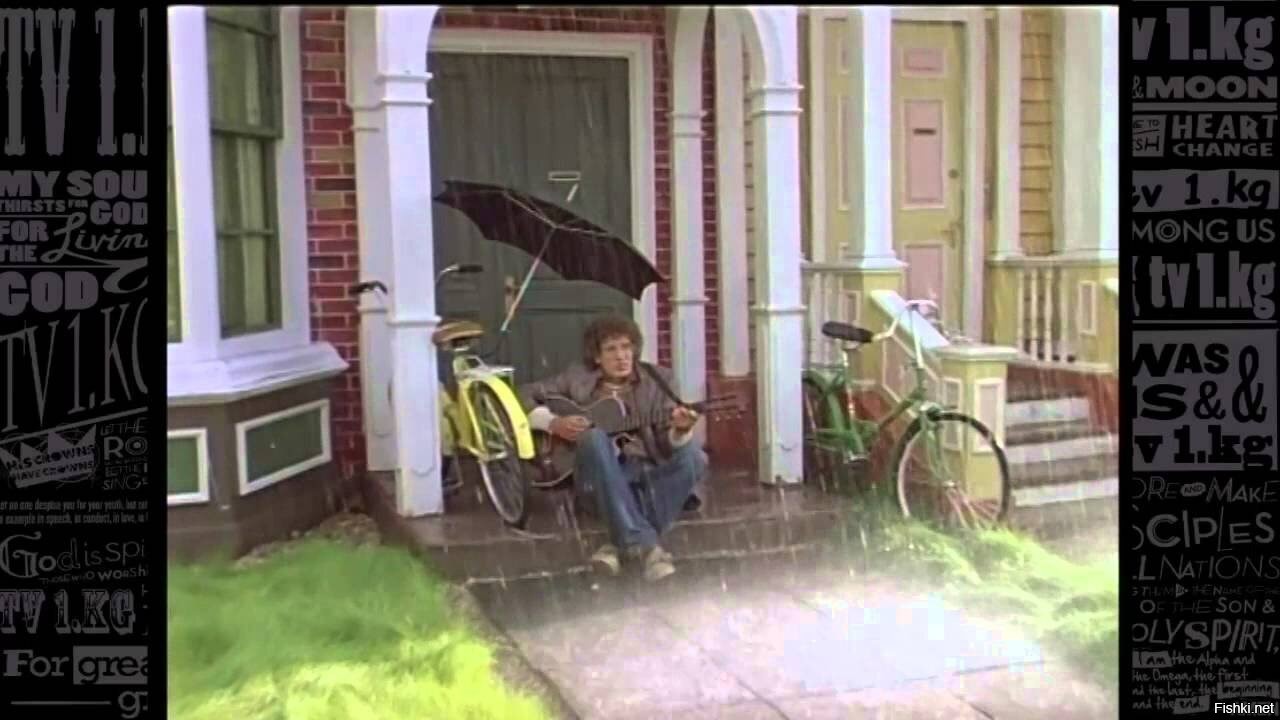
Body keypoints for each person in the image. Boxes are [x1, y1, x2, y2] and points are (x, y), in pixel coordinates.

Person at [519, 314, 708, 581]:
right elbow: (522, 394)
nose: (621, 356)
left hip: (646, 474)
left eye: (626, 347)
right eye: (611, 349)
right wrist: (553, 423)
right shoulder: (577, 377)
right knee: (595, 438)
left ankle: (619, 545)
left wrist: (681, 429)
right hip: (596, 479)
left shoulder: (660, 379)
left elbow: (666, 444)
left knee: (695, 457)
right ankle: (647, 548)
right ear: (596, 357)